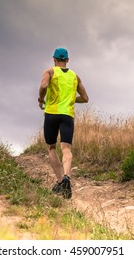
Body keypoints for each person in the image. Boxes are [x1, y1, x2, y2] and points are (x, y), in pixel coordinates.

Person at [38, 48, 89, 199]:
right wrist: (72, 100)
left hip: (52, 114)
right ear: (67, 60)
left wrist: (41, 99)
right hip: (67, 115)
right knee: (66, 148)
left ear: (54, 59)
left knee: (51, 147)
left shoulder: (49, 72)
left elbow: (43, 86)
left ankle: (60, 181)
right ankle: (67, 177)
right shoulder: (75, 76)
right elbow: (85, 98)